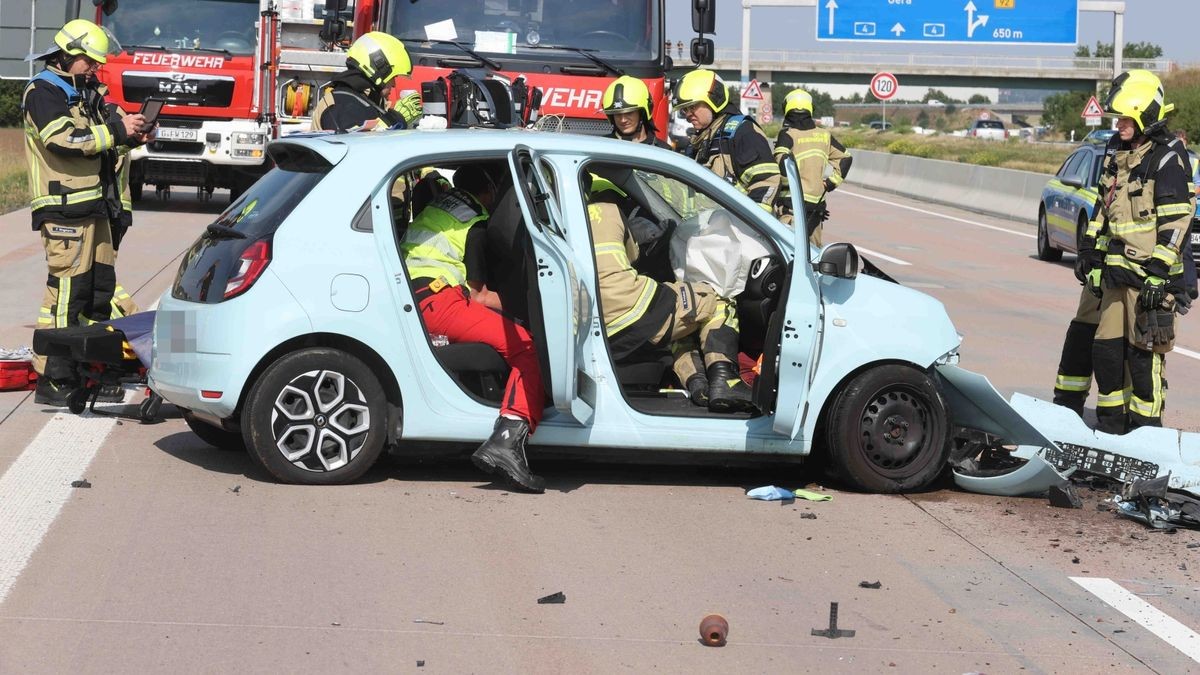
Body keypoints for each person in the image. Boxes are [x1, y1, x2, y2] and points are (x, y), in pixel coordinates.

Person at [23, 19, 150, 405]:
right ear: (67, 55)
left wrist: (131, 136)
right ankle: (56, 379)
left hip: (95, 208)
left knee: (97, 294)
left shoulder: (89, 93)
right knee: (68, 296)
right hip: (64, 211)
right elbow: (64, 139)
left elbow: (103, 146)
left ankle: (92, 369)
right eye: (90, 62)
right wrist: (115, 131)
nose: (95, 69)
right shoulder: (43, 92)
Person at [400, 164, 547, 493]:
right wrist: (528, 305)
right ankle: (508, 439)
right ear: (489, 191)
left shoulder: (441, 206)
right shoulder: (476, 223)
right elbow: (479, 295)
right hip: (440, 301)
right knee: (525, 345)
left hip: (413, 297)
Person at [1072, 70, 1195, 434]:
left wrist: (1159, 272)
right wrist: (1091, 252)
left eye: (1126, 118)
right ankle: (1112, 430)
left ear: (1145, 116)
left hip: (1151, 283)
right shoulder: (1118, 152)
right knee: (1107, 357)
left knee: (1145, 364)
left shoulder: (1169, 158)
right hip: (1116, 275)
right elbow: (1103, 207)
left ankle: (1147, 433)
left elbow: (1176, 222)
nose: (1120, 125)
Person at [586, 177, 755, 412]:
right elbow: (634, 254)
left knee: (676, 318)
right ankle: (725, 379)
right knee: (716, 297)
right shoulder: (611, 210)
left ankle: (698, 383)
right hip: (632, 308)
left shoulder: (569, 215)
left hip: (594, 318)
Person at [672, 69, 781, 212]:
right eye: (684, 110)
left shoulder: (742, 132)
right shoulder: (703, 139)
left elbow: (766, 183)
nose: (688, 115)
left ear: (713, 100)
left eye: (692, 107)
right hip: (708, 230)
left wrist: (745, 227)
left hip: (735, 230)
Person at [772, 88, 852, 247]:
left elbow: (781, 163)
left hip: (792, 207)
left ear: (787, 109)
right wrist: (830, 183)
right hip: (815, 209)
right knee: (813, 256)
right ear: (810, 109)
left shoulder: (788, 134)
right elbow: (846, 158)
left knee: (788, 254)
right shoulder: (824, 135)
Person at [310, 31, 421, 133]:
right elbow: (357, 147)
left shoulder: (365, 99)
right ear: (381, 69)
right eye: (393, 77)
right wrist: (397, 118)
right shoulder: (342, 105)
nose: (394, 84)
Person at [601, 75, 670, 149]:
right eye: (617, 114)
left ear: (642, 113)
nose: (623, 120)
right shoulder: (601, 147)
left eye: (629, 113)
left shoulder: (664, 152)